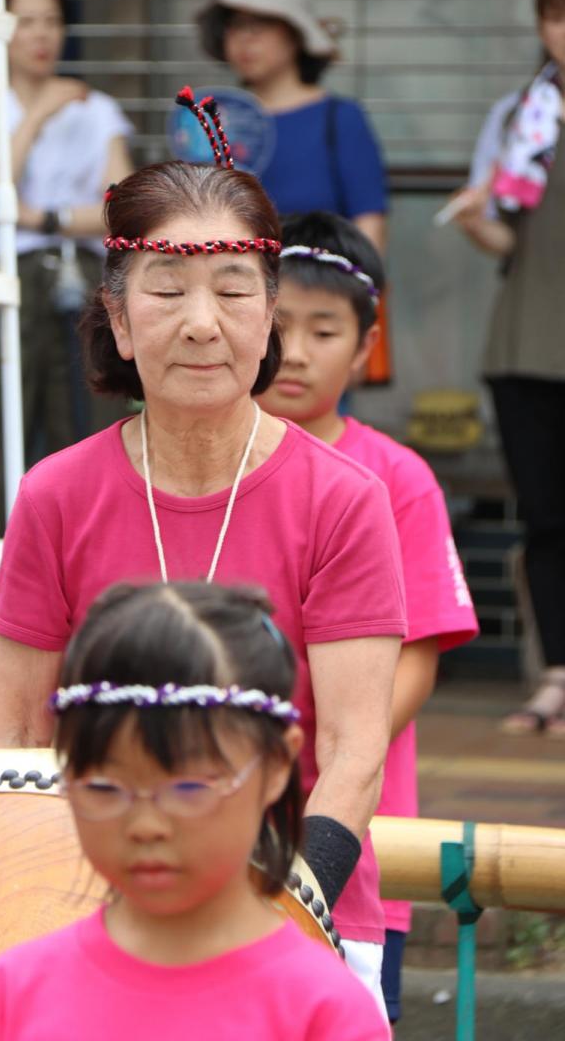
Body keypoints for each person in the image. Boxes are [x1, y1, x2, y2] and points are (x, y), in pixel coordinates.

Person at [0, 91, 407, 1005]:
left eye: (233, 291)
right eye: (167, 294)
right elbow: (12, 731)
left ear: (268, 320)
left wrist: (289, 907)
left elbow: (353, 748)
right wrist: (43, 900)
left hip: (299, 916)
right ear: (122, 323)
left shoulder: (345, 500)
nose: (202, 322)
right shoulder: (55, 494)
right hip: (84, 917)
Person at [0, 581, 390, 1040]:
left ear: (277, 764)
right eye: (104, 786)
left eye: (187, 787)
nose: (145, 825)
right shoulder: (11, 994)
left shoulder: (325, 1012)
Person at [256, 212, 478, 1026]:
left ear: (365, 342)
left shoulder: (399, 478)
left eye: (325, 329)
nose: (300, 351)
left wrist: (329, 749)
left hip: (349, 846)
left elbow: (416, 660)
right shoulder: (202, 456)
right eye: (280, 326)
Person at [449, 0, 565, 738]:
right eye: (553, 17)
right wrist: (469, 217)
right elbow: (503, 237)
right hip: (528, 339)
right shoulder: (521, 115)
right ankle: (556, 677)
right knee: (548, 517)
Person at [0, 0, 134, 465]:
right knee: (7, 410)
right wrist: (39, 114)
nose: (42, 34)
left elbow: (120, 211)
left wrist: (43, 218)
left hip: (83, 273)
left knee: (87, 413)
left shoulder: (96, 110)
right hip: (8, 274)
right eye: (26, 22)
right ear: (2, 31)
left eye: (52, 21)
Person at [196, 0, 387, 255]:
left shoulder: (339, 119)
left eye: (261, 24)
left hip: (321, 292)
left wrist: (353, 291)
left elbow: (370, 227)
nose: (245, 38)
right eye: (235, 25)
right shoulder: (214, 121)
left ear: (296, 34)